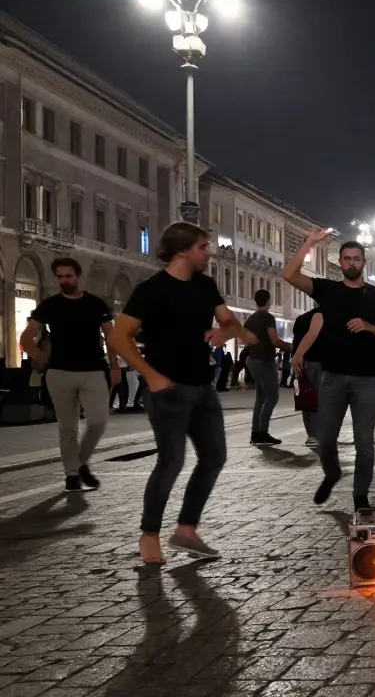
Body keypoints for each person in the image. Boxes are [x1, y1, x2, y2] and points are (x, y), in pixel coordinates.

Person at [107, 222, 257, 564]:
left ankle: (186, 531)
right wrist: (149, 374)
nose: (209, 252)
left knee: (215, 457)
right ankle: (149, 535)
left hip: (203, 387)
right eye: (204, 247)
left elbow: (230, 320)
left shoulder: (205, 285)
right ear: (181, 250)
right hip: (167, 388)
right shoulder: (152, 290)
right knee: (171, 461)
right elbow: (119, 336)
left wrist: (227, 330)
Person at [284, 230, 375, 511]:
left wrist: (369, 326)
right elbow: (290, 274)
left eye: (356, 259)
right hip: (332, 377)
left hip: (365, 380)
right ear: (340, 261)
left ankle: (360, 495)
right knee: (324, 440)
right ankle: (332, 472)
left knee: (365, 444)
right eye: (346, 259)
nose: (351, 263)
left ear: (363, 263)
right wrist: (309, 243)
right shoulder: (328, 290)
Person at [19, 257, 119, 492]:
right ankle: (72, 474)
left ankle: (80, 462)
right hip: (59, 372)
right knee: (67, 427)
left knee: (98, 421)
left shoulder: (96, 304)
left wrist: (115, 365)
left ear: (78, 276)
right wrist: (39, 356)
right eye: (60, 277)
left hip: (93, 369)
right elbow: (26, 337)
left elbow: (111, 338)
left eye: (69, 276)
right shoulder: (49, 305)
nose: (64, 280)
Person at [242, 289, 291, 446]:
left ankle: (255, 432)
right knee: (272, 396)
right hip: (264, 360)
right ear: (268, 300)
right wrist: (290, 346)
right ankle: (262, 432)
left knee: (260, 398)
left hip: (253, 360)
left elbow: (243, 340)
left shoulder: (250, 320)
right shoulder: (268, 318)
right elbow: (275, 340)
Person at [289, 307, 323, 447]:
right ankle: (316, 436)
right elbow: (312, 337)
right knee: (317, 400)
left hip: (302, 362)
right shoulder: (323, 316)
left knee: (306, 398)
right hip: (317, 362)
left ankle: (311, 435)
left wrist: (296, 357)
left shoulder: (301, 318)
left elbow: (295, 340)